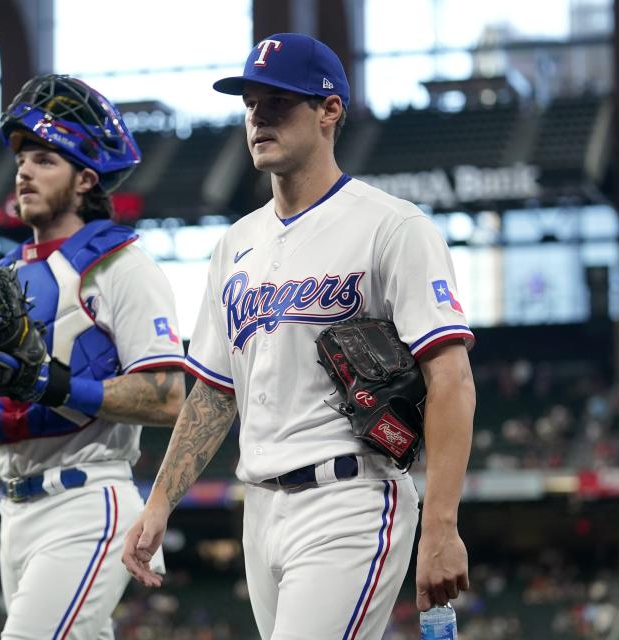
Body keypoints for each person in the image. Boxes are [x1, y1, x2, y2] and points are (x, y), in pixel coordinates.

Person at [122, 33, 476, 639]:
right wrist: (158, 505)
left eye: (278, 102)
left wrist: (441, 526)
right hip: (258, 508)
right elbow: (212, 392)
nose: (258, 116)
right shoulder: (234, 246)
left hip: (350, 496)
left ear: (329, 110)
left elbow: (451, 378)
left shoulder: (391, 227)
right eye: (250, 103)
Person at [0, 74, 187, 640]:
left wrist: (55, 386)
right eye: (22, 159)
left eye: (45, 159)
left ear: (85, 179)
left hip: (86, 499)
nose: (24, 171)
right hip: (13, 506)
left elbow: (168, 396)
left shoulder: (122, 265)